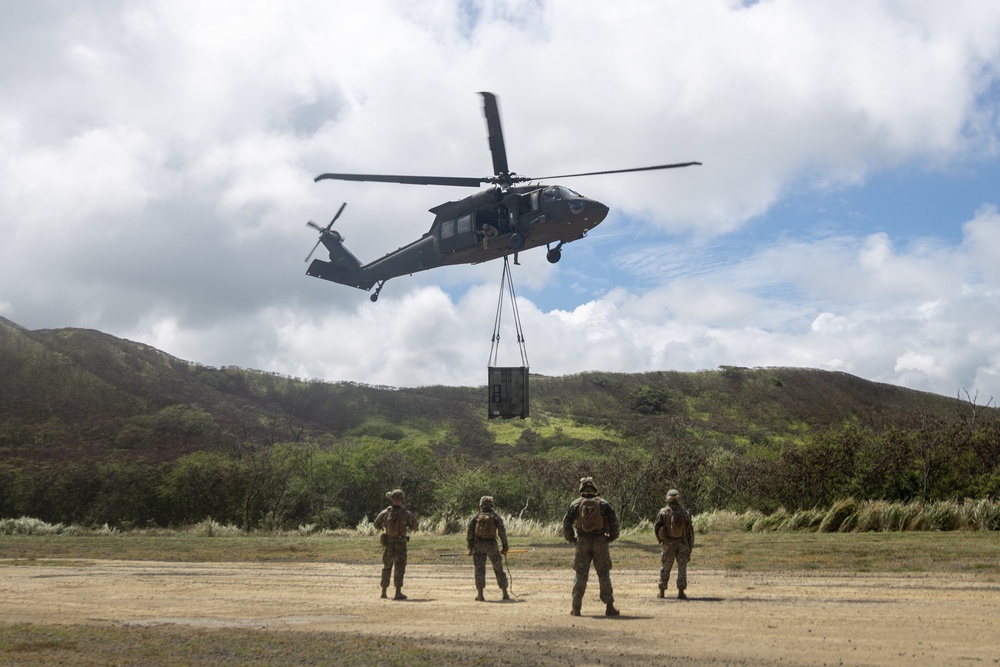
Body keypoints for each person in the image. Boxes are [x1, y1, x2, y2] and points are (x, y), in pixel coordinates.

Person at [562, 477, 620, 616]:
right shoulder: (604, 503)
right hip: (600, 541)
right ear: (594, 489)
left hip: (582, 542)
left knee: (581, 574)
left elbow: (566, 523)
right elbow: (614, 522)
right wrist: (610, 538)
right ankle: (609, 606)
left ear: (581, 490)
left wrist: (572, 539)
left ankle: (576, 608)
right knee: (604, 574)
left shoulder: (575, 504)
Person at [373, 488, 419, 600]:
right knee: (399, 567)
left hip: (388, 542)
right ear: (402, 499)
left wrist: (384, 528)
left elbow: (376, 524)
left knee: (387, 566)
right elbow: (415, 526)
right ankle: (398, 592)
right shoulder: (406, 513)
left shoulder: (385, 512)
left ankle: (384, 592)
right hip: (401, 543)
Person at [465, 495, 510, 601]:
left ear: (481, 505)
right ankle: (505, 593)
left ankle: (480, 595)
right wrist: (505, 546)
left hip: (478, 545)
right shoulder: (495, 517)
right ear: (491, 505)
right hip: (492, 545)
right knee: (498, 568)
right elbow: (502, 533)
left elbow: (469, 533)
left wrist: (470, 547)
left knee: (479, 570)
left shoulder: (476, 517)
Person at [653, 489, 695, 600]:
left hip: (668, 543)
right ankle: (681, 592)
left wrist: (661, 540)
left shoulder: (663, 512)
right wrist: (690, 546)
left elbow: (656, 528)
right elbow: (690, 531)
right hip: (682, 543)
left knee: (665, 567)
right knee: (682, 568)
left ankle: (662, 592)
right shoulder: (684, 512)